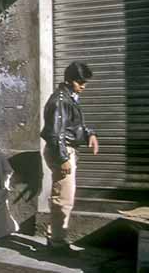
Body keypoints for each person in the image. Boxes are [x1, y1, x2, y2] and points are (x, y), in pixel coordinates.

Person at [41, 61, 99, 253]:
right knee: (64, 198)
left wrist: (89, 133)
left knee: (63, 196)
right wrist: (63, 158)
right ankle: (57, 243)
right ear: (69, 80)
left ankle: (54, 237)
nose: (83, 86)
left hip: (64, 149)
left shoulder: (69, 97)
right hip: (62, 150)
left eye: (85, 82)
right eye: (79, 82)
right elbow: (56, 133)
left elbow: (72, 126)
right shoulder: (60, 100)